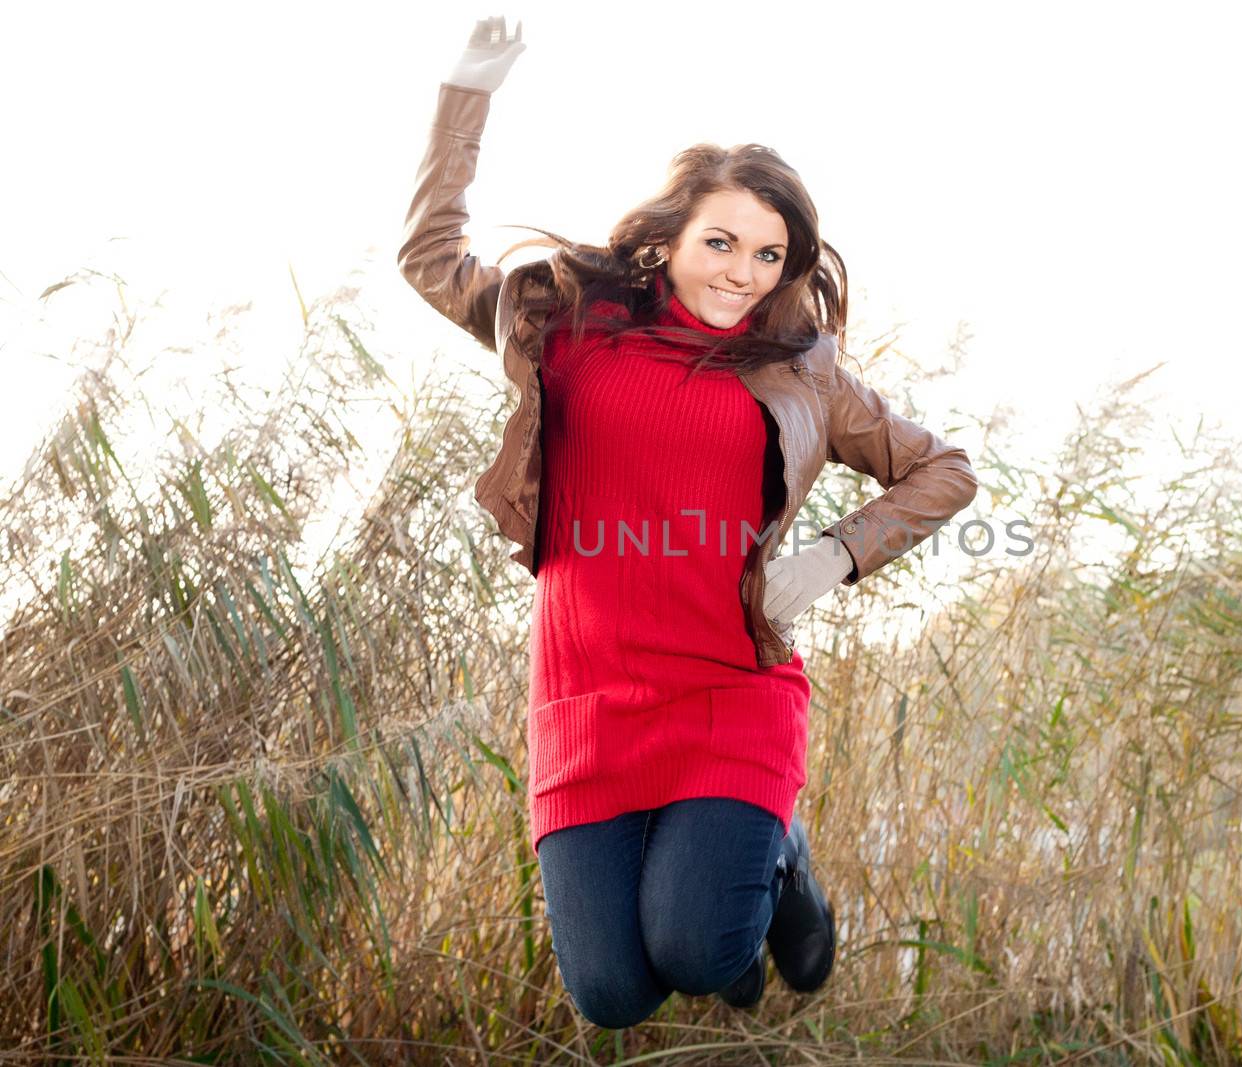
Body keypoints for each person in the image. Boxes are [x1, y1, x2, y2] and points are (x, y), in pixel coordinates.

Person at [399, 15, 980, 1028]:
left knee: (698, 947)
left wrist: (836, 556)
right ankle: (754, 880)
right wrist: (465, 95)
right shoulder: (567, 322)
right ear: (667, 236)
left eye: (768, 252)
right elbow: (429, 253)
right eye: (722, 242)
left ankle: (776, 852)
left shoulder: (802, 369)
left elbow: (944, 470)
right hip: (588, 699)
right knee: (613, 992)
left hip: (730, 687)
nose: (742, 272)